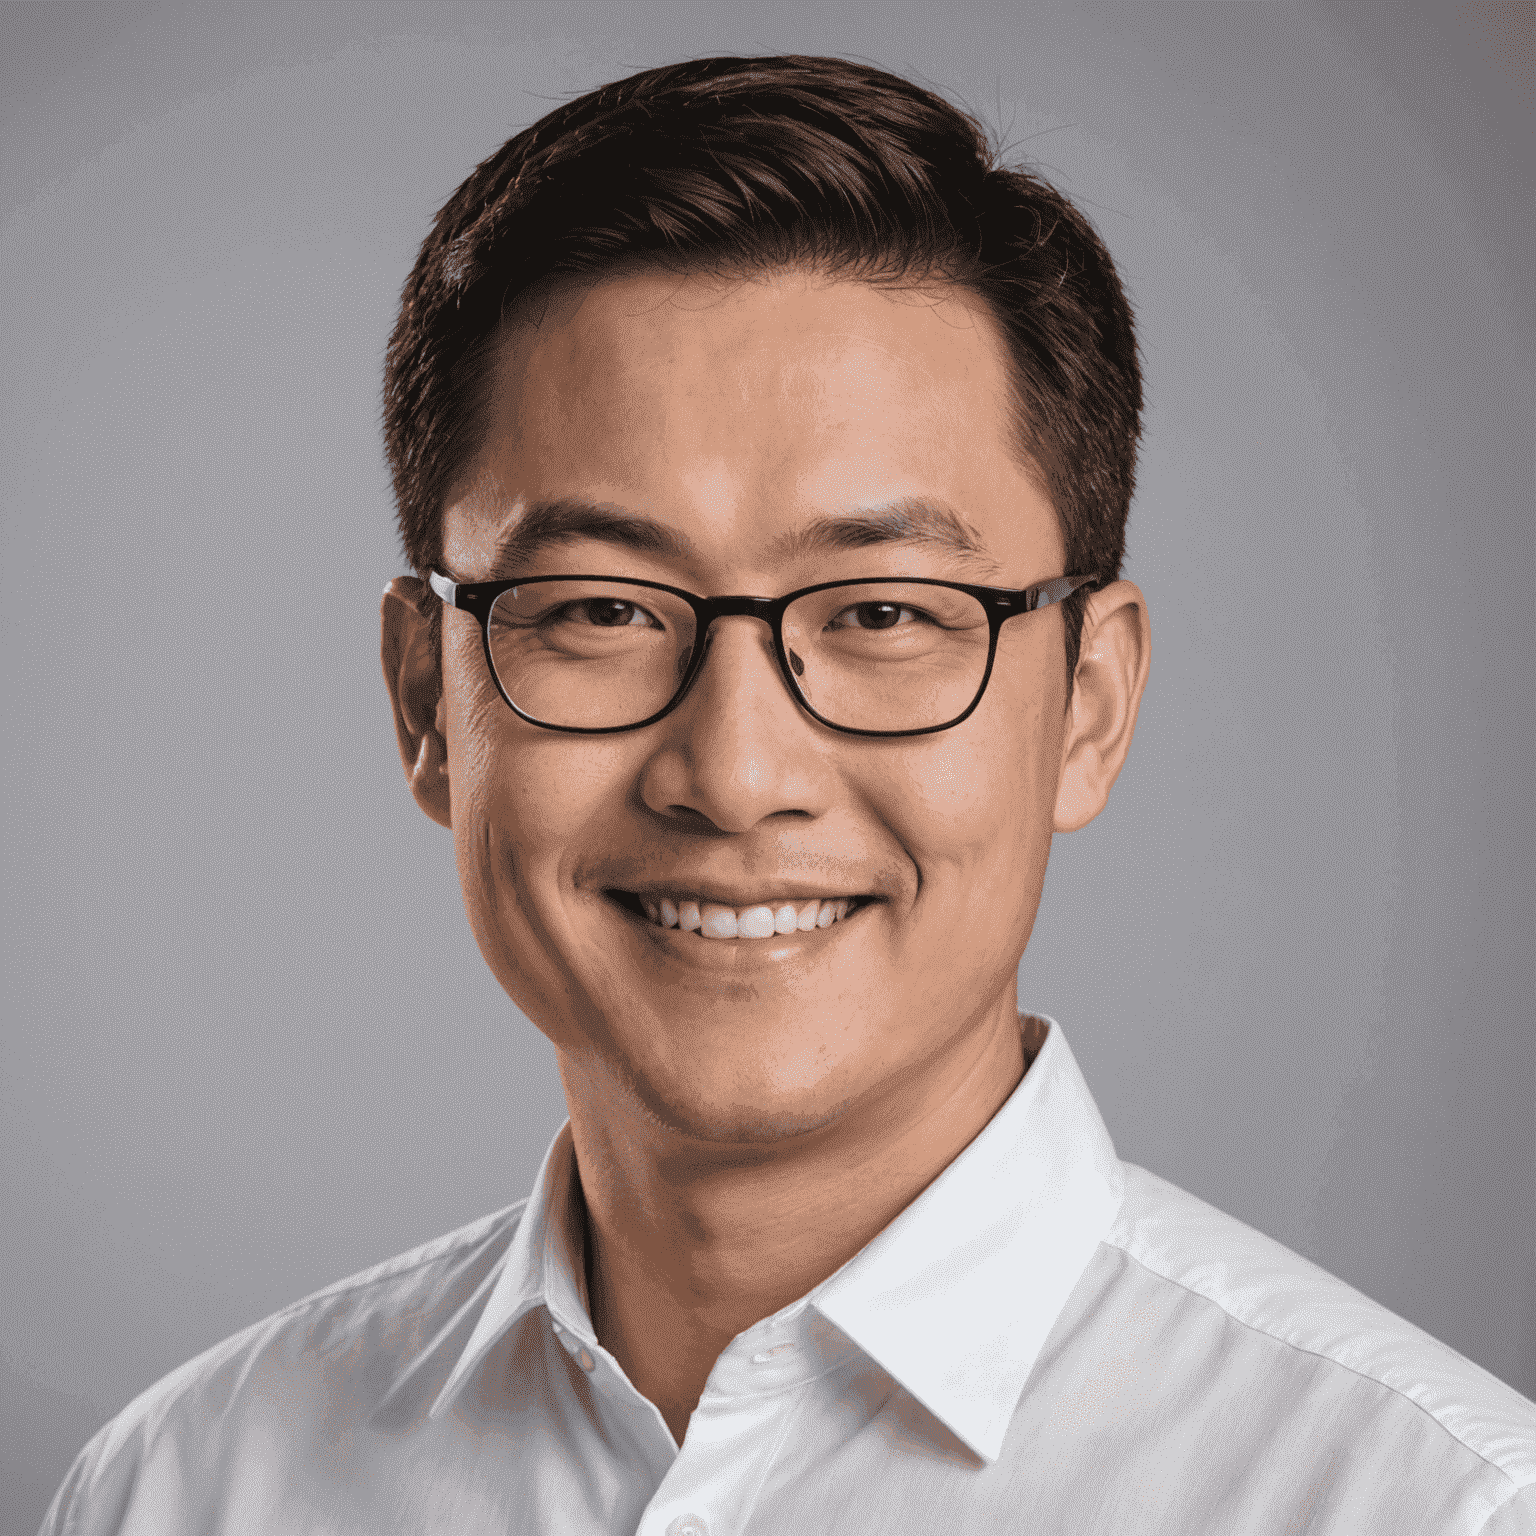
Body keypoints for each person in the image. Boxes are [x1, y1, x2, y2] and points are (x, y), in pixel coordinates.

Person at [40, 52, 1534, 1536]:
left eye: (883, 612)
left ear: (1090, 701)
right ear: (429, 698)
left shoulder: (1428, 1505)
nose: (736, 775)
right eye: (603, 609)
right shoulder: (187, 1491)